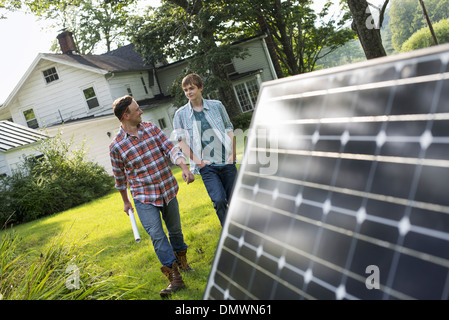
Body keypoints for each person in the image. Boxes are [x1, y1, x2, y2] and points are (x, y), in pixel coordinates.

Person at [109, 95, 195, 297]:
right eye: (136, 109)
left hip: (167, 188)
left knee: (175, 230)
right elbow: (120, 178)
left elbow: (170, 148)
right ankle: (175, 277)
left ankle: (183, 263)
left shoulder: (152, 129)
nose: (141, 111)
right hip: (143, 196)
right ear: (125, 115)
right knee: (157, 235)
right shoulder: (117, 146)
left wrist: (183, 167)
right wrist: (125, 201)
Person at [173, 73, 237, 227]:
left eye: (192, 88)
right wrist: (199, 163)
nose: (188, 92)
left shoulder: (217, 106)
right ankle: (229, 234)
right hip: (207, 166)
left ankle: (243, 229)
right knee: (219, 200)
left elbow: (229, 128)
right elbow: (181, 142)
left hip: (226, 161)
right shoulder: (180, 114)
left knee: (236, 200)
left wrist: (232, 154)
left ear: (200, 88)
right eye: (185, 90)